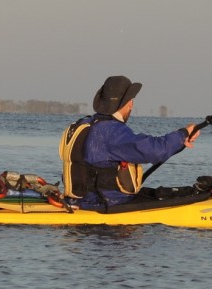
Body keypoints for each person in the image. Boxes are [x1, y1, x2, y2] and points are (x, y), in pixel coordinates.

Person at [59, 75, 197, 209]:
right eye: (131, 100)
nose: (131, 105)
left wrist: (180, 141)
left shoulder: (85, 123)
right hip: (105, 204)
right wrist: (183, 134)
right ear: (128, 103)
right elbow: (154, 150)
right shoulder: (111, 131)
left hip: (81, 200)